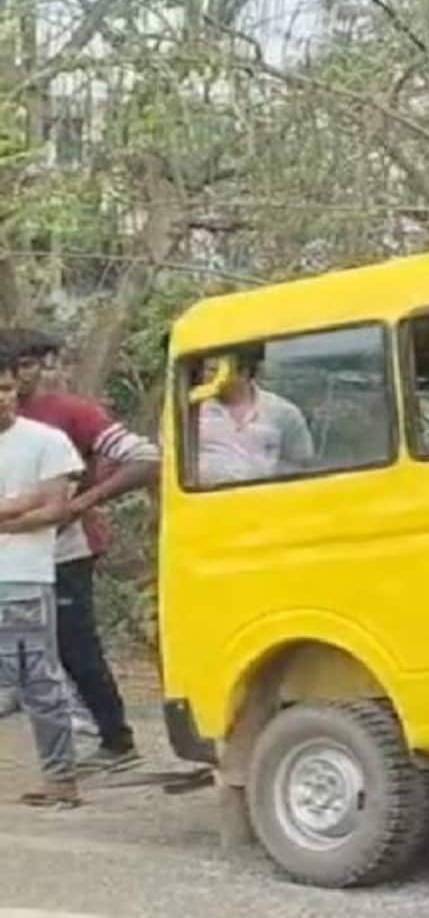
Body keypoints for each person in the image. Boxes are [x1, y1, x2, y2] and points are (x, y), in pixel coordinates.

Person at [2, 328, 160, 771]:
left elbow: (146, 458)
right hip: (9, 555)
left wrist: (80, 503)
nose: (24, 377)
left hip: (61, 552)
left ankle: (116, 740)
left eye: (31, 365)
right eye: (18, 366)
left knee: (75, 648)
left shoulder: (69, 415)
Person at [0, 360, 86, 807]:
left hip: (24, 578)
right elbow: (40, 500)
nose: (2, 398)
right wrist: (20, 503)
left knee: (39, 683)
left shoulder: (46, 441)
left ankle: (60, 780)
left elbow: (56, 508)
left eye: (6, 388)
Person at [195, 344, 313, 486]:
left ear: (243, 372)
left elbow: (300, 465)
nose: (206, 376)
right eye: (206, 369)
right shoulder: (192, 411)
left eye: (214, 370)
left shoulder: (284, 413)